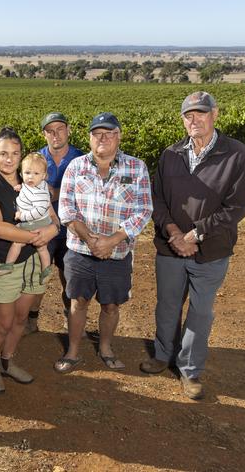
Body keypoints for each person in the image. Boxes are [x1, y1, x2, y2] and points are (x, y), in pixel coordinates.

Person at [140, 92, 245, 400]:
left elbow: (237, 207)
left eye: (200, 113)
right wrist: (174, 232)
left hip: (212, 251)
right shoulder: (171, 154)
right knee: (167, 306)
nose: (194, 120)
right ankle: (163, 356)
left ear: (214, 114)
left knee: (201, 312)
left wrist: (195, 235)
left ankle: (190, 370)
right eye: (189, 115)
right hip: (170, 247)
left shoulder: (236, 153)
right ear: (183, 120)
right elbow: (158, 200)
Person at [55, 113, 152, 373]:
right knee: (78, 302)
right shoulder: (75, 167)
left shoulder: (136, 167)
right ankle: (73, 352)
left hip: (117, 254)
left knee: (111, 305)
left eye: (109, 133)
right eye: (97, 133)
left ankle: (106, 348)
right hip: (79, 251)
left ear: (118, 136)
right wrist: (90, 238)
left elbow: (143, 211)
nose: (103, 138)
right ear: (89, 137)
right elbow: (66, 209)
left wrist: (112, 241)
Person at [0, 127, 58, 393]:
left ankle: (7, 361)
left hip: (32, 262)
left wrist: (52, 230)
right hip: (2, 262)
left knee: (22, 319)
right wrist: (36, 235)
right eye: (3, 153)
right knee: (3, 322)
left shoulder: (33, 179)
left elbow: (54, 218)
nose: (9, 159)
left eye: (15, 153)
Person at [22, 112, 84, 335]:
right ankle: (32, 319)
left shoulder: (81, 159)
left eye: (60, 129)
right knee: (40, 275)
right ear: (44, 134)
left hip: (72, 231)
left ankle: (71, 319)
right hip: (43, 229)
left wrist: (54, 193)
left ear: (68, 130)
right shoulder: (36, 159)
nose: (55, 134)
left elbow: (85, 194)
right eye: (50, 130)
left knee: (70, 278)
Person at [0, 152, 58, 285]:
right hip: (40, 221)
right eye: (27, 173)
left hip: (36, 221)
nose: (31, 177)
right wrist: (21, 187)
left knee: (17, 242)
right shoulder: (34, 184)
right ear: (21, 174)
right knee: (42, 248)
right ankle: (46, 269)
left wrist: (22, 216)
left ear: (44, 176)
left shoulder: (41, 193)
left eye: (36, 174)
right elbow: (28, 188)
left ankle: (8, 265)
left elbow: (39, 211)